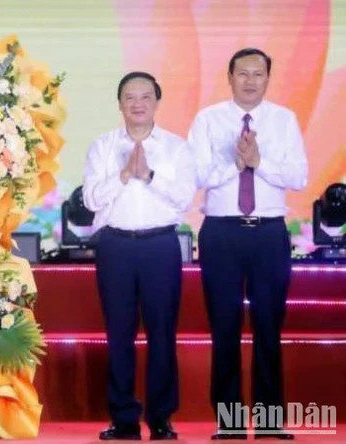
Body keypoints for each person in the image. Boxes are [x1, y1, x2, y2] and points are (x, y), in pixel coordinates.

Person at [188, 48, 307, 440]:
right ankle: (230, 422)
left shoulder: (284, 120)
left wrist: (259, 161)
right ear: (230, 76)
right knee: (224, 328)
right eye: (243, 73)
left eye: (258, 74)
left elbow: (299, 176)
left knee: (268, 328)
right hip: (221, 232)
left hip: (269, 232)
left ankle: (271, 422)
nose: (251, 80)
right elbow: (197, 175)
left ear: (268, 79)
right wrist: (235, 166)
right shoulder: (208, 119)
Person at [83, 72, 196, 441]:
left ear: (157, 103)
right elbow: (90, 200)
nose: (137, 104)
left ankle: (161, 418)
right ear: (119, 104)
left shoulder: (176, 148)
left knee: (163, 333)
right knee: (119, 334)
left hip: (161, 246)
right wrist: (122, 175)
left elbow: (183, 198)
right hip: (115, 246)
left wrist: (147, 175)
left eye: (145, 97)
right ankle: (124, 419)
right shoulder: (102, 146)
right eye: (130, 97)